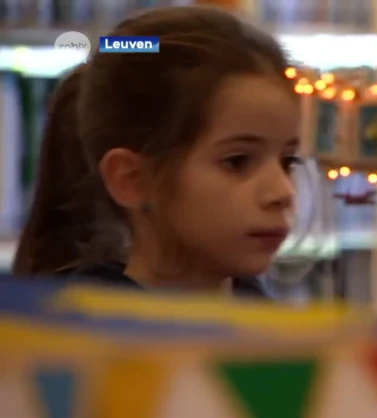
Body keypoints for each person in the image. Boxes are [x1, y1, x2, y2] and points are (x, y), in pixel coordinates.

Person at [12, 6, 300, 297]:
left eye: (287, 161)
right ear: (132, 179)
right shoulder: (83, 333)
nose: (283, 192)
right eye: (237, 162)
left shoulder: (266, 318)